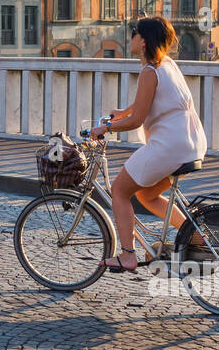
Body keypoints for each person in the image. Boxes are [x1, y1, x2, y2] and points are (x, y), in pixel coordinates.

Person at [89, 17, 207, 273]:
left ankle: (127, 255)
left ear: (142, 41)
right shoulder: (167, 64)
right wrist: (122, 112)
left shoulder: (149, 72)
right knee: (146, 194)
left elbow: (138, 120)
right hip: (192, 142)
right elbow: (146, 103)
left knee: (119, 190)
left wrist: (105, 128)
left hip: (170, 147)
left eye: (134, 33)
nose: (131, 37)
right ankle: (197, 238)